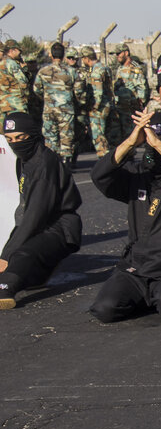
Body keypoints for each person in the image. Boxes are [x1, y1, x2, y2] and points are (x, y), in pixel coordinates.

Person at [89, 110, 161, 322]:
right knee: (103, 310)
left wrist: (160, 146)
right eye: (149, 141)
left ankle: (160, 296)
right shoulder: (136, 174)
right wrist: (131, 142)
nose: (153, 146)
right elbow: (99, 175)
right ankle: (146, 297)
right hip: (136, 268)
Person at [0, 113, 82, 309]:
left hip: (60, 227)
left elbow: (35, 215)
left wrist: (6, 256)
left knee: (18, 254)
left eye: (20, 137)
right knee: (14, 246)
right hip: (42, 224)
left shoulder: (44, 164)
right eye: (10, 139)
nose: (15, 143)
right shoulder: (25, 160)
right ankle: (37, 272)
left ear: (33, 134)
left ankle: (6, 287)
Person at [36, 42, 85, 163]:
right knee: (66, 139)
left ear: (51, 55)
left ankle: (52, 164)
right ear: (63, 56)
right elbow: (79, 92)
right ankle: (65, 165)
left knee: (50, 139)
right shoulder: (71, 72)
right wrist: (76, 103)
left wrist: (47, 99)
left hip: (49, 110)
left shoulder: (43, 71)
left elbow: (37, 89)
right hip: (66, 110)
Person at [109, 43, 149, 147]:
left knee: (129, 135)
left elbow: (142, 89)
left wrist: (139, 104)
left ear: (126, 53)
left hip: (130, 108)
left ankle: (130, 158)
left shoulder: (134, 68)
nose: (117, 56)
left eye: (118, 53)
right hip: (120, 106)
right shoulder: (120, 68)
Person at [78, 46, 113, 157]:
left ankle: (104, 160)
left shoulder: (96, 71)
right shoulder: (105, 67)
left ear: (86, 58)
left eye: (82, 58)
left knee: (99, 136)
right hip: (108, 105)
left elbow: (98, 92)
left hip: (99, 108)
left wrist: (94, 107)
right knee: (106, 136)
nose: (82, 61)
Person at [1, 39, 31, 117]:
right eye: (19, 51)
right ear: (12, 50)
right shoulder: (12, 63)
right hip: (15, 104)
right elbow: (23, 82)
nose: (20, 53)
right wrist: (24, 70)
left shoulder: (1, 63)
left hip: (3, 105)